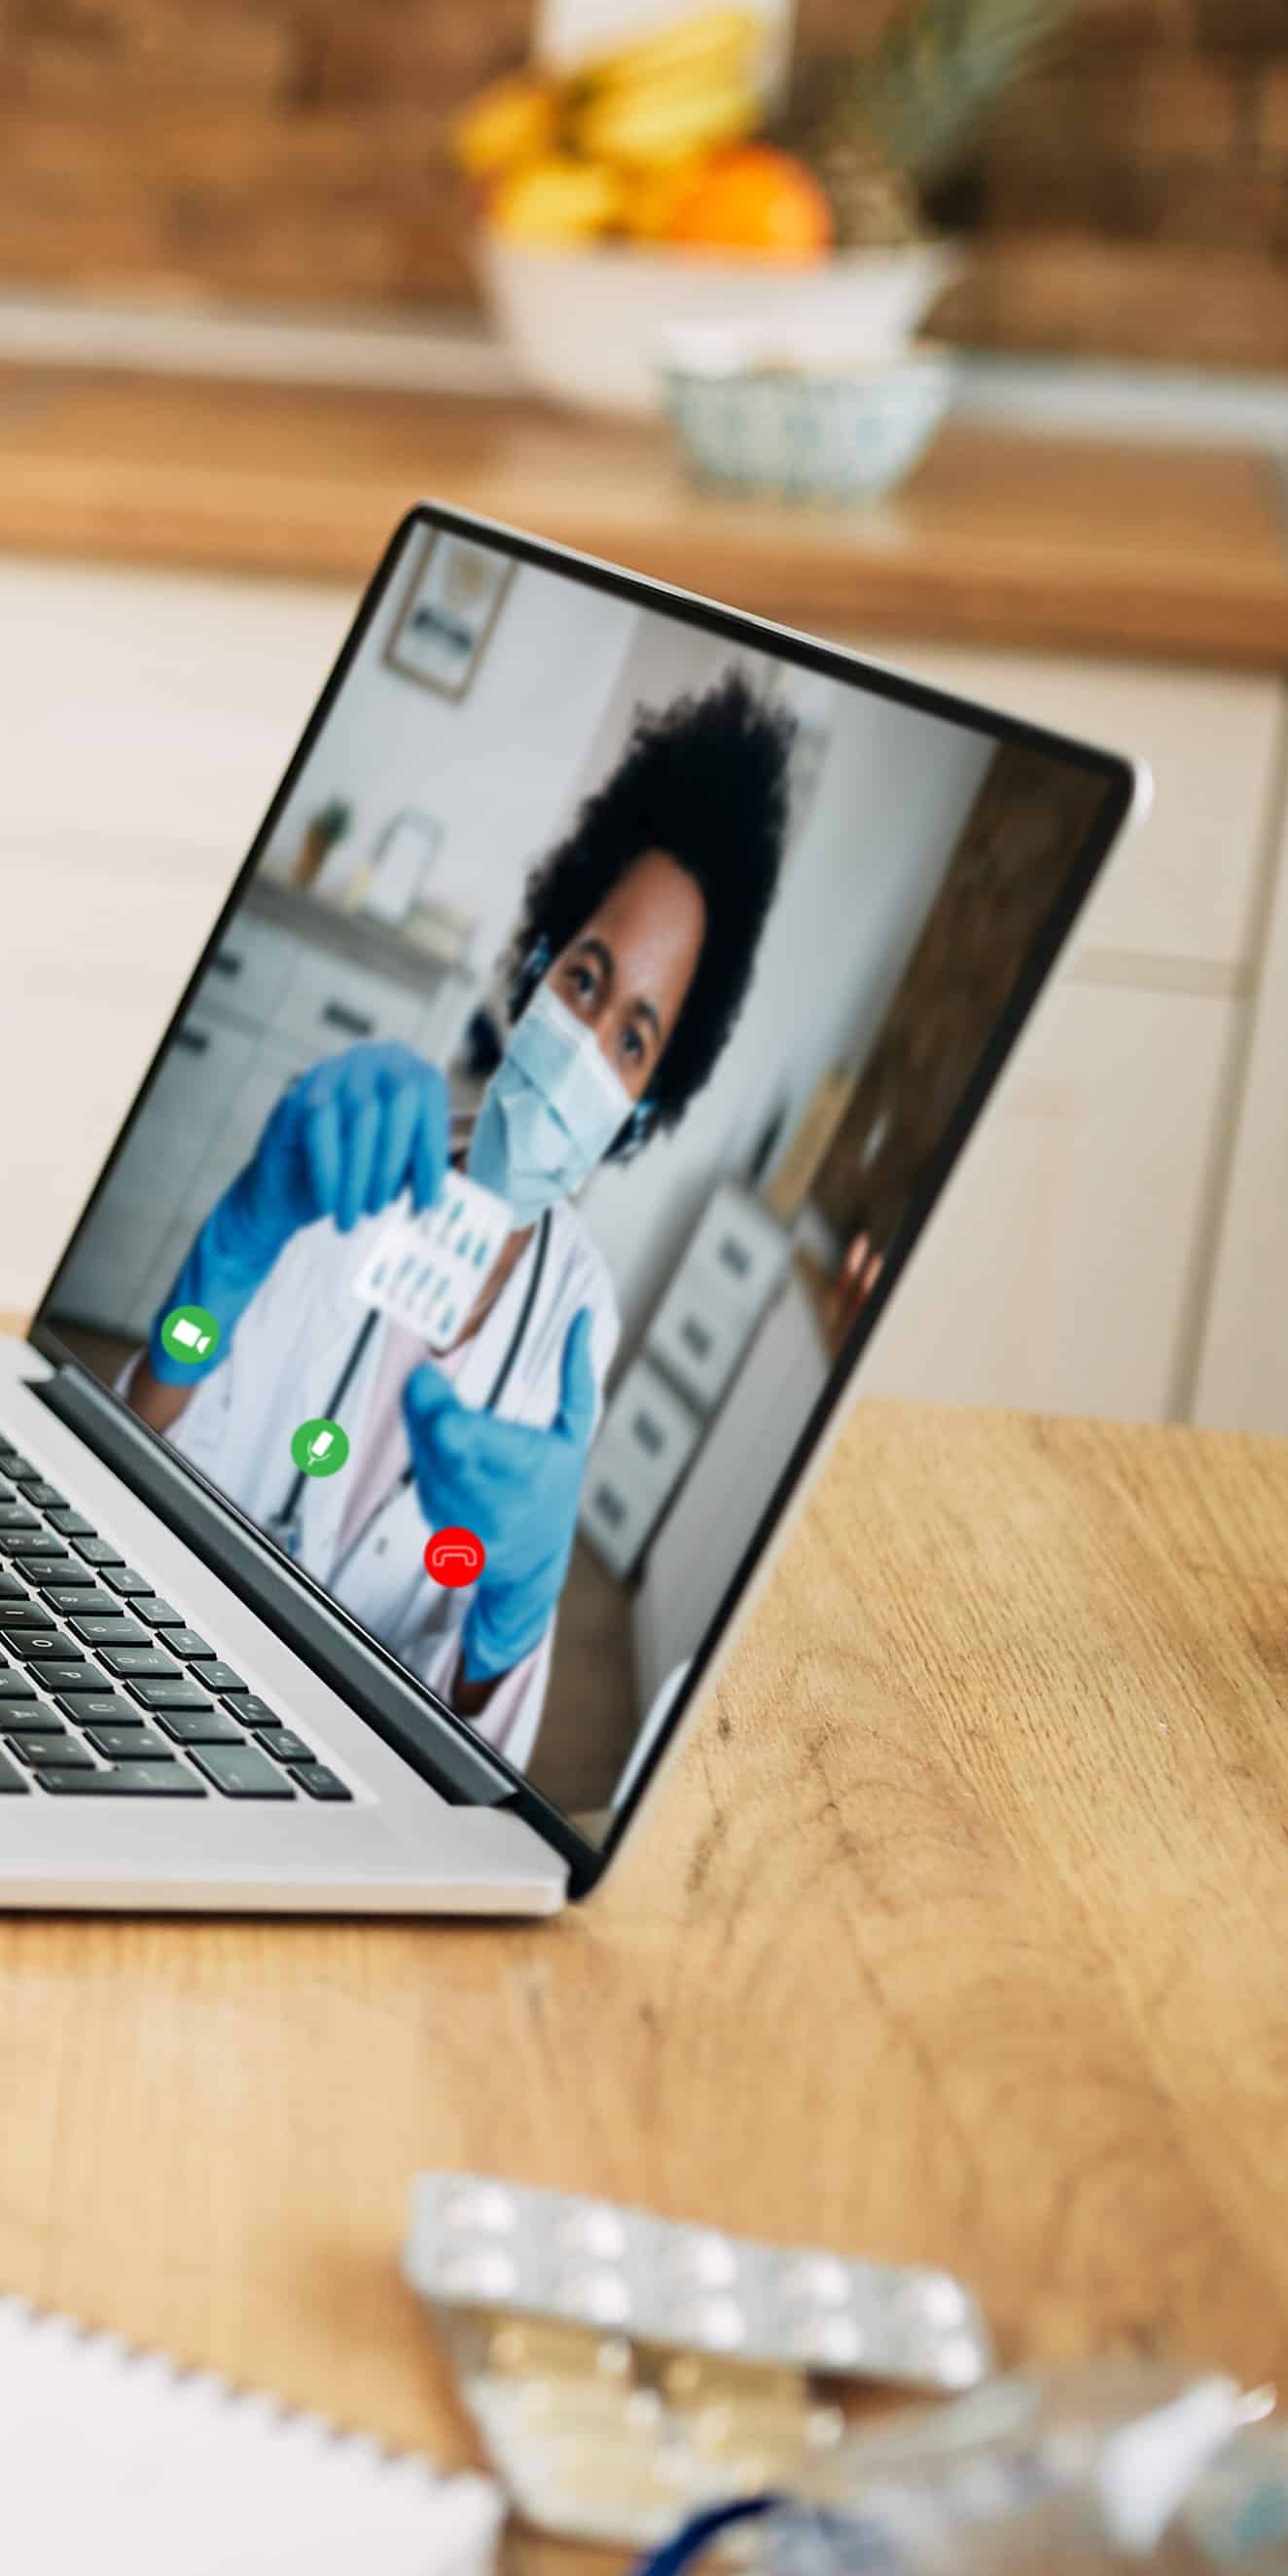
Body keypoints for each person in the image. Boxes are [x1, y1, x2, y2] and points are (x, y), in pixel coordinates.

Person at [125, 681, 799, 1766]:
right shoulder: (346, 1166)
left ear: (645, 1110)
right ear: (534, 971)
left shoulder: (574, 1325)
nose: (586, 1045)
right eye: (585, 979)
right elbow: (148, 1456)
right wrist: (225, 1268)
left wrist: (512, 1611)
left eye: (634, 1041)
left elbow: (463, 1737)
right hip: (161, 1658)